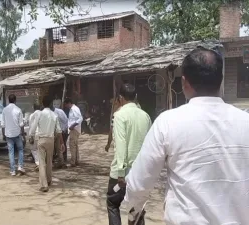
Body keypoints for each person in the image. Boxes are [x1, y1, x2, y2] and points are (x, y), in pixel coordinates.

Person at [124, 47, 249, 225]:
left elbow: (139, 183)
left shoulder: (168, 122)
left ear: (184, 82)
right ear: (220, 81)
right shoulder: (246, 121)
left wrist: (133, 212)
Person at [107, 83, 151, 225]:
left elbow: (120, 144)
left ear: (120, 98)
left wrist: (120, 171)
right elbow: (149, 145)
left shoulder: (119, 115)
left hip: (122, 174)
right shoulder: (145, 116)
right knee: (136, 210)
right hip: (140, 174)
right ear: (136, 97)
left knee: (113, 204)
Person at [29, 96, 64, 192]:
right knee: (49, 161)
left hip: (41, 139)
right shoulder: (54, 115)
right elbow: (59, 130)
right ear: (50, 104)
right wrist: (62, 142)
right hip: (51, 139)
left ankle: (44, 185)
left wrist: (31, 136)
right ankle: (49, 180)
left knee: (42, 163)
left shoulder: (40, 114)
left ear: (42, 104)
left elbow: (33, 127)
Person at [1, 94, 25, 176]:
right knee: (20, 150)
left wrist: (3, 134)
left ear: (8, 100)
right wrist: (23, 135)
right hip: (17, 134)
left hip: (8, 134)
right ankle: (20, 166)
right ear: (15, 100)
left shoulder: (4, 110)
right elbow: (21, 124)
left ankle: (12, 170)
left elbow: (3, 124)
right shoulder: (18, 110)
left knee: (11, 152)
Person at [63, 98, 83, 167]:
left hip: (74, 129)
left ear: (69, 103)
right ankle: (76, 160)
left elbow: (80, 118)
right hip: (74, 129)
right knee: (75, 145)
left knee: (72, 145)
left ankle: (73, 162)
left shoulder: (74, 109)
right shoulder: (72, 109)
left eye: (66, 104)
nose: (66, 106)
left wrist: (73, 125)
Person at [28, 103, 41, 169]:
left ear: (33, 108)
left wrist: (30, 135)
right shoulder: (43, 114)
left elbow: (31, 126)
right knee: (40, 149)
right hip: (43, 134)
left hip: (35, 133)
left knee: (33, 149)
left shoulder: (32, 115)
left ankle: (38, 163)